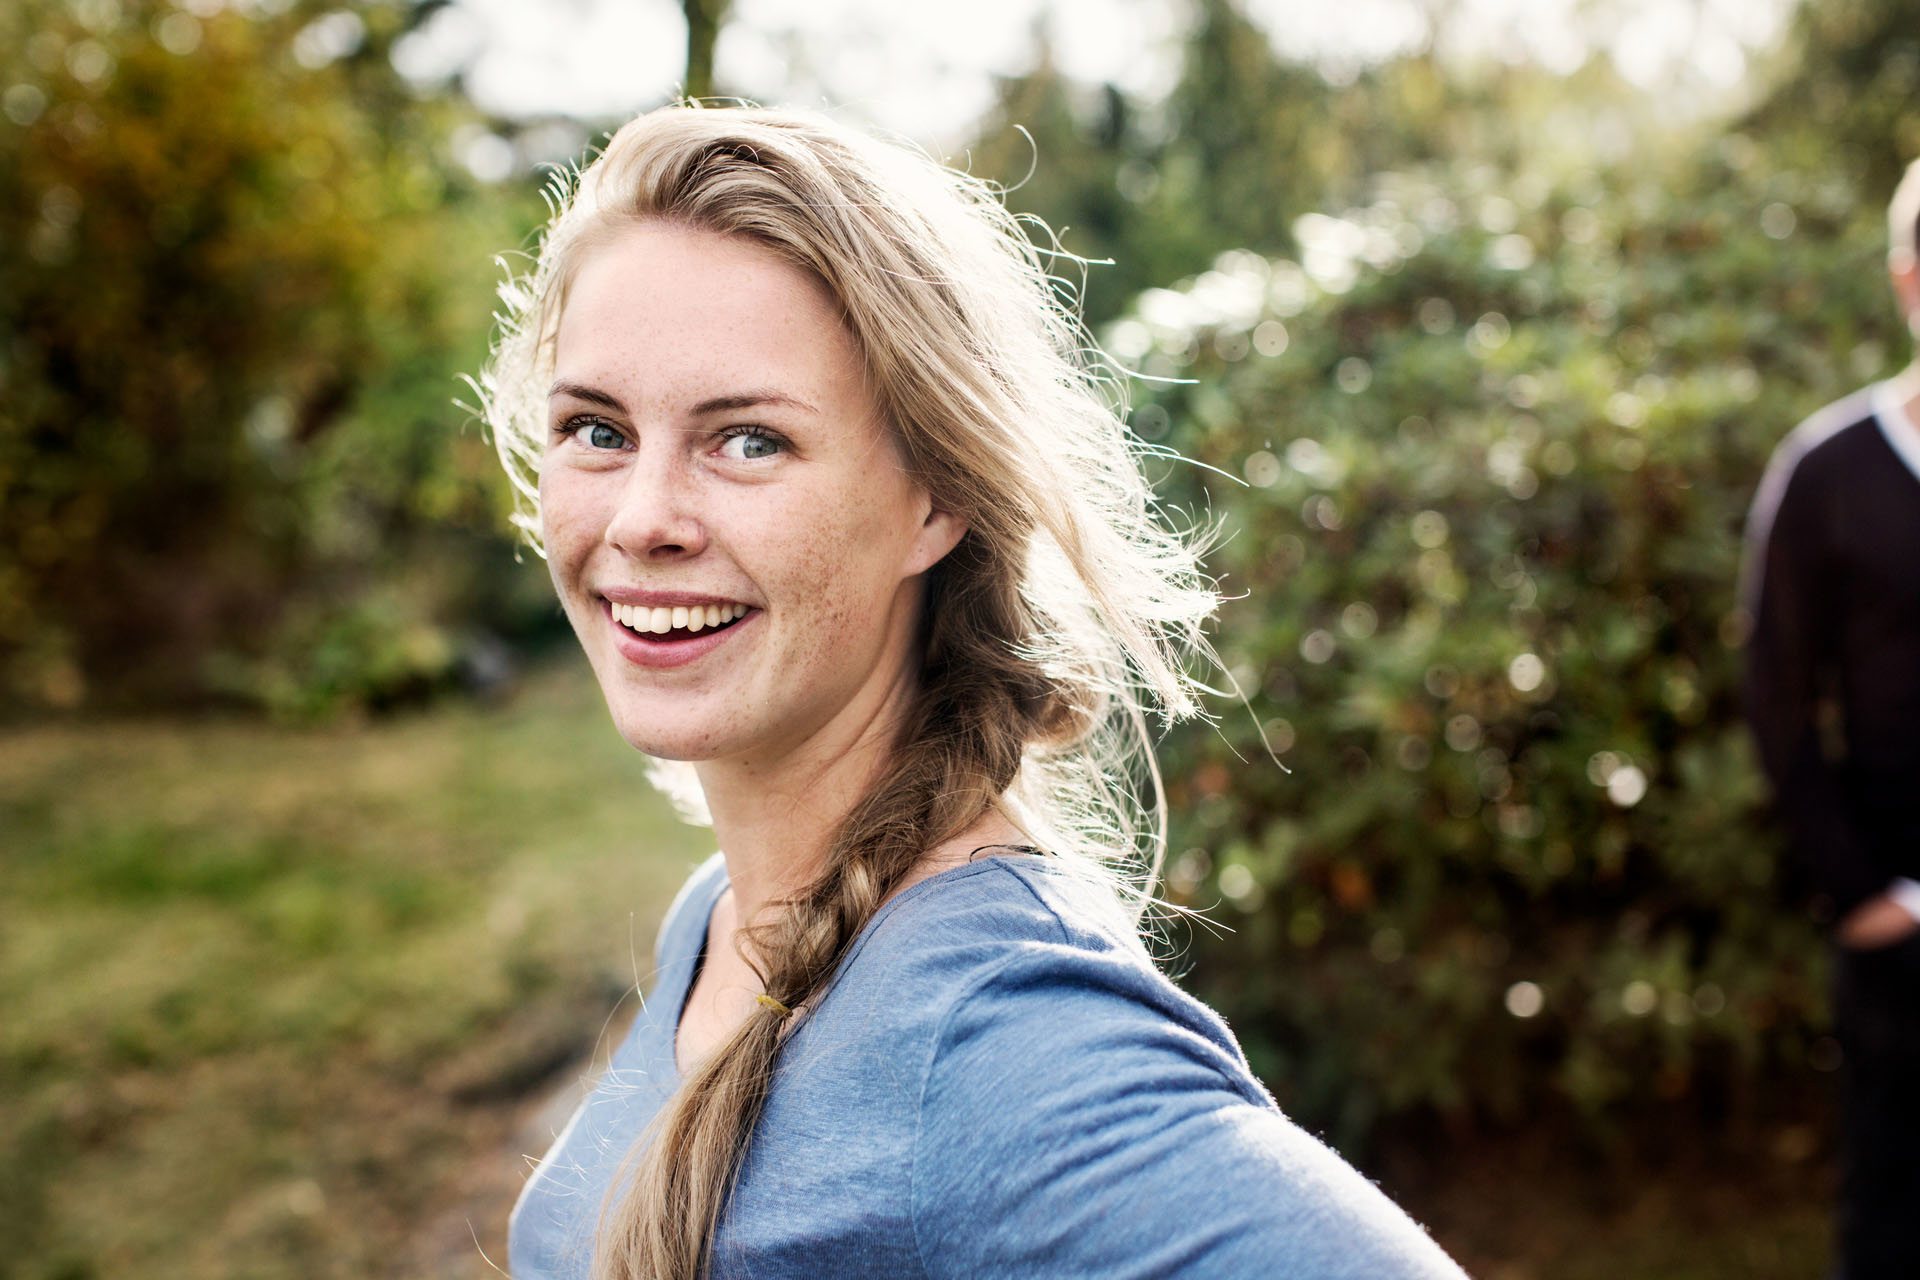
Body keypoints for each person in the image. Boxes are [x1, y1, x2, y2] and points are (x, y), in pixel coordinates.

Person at [480, 103, 1467, 1280]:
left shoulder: (995, 1027)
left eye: (747, 441)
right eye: (595, 428)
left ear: (936, 501)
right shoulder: (726, 911)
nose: (642, 519)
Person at [1742, 157, 1920, 1280]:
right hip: (1903, 933)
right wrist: (1860, 892)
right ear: (1911, 284)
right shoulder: (1827, 472)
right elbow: (1774, 688)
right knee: (1898, 1214)